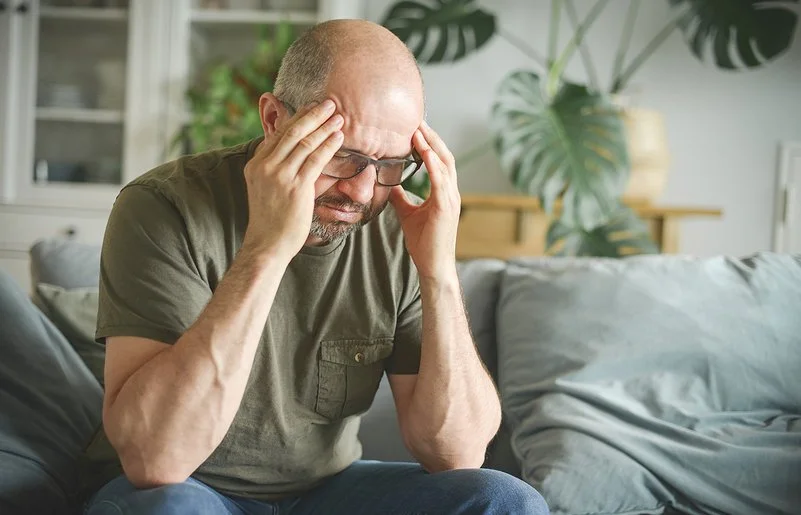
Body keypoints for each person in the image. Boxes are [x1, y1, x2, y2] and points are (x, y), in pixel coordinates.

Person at [82, 18, 549, 515]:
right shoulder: (162, 207)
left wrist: (439, 273)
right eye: (343, 156)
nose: (363, 191)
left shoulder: (399, 225)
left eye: (391, 164)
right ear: (273, 121)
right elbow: (156, 459)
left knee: (504, 500)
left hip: (330, 492)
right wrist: (266, 249)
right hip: (186, 489)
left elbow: (456, 454)